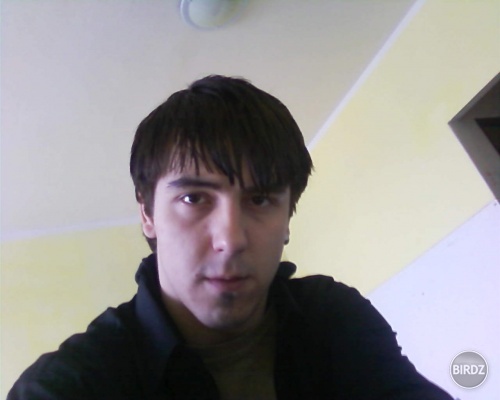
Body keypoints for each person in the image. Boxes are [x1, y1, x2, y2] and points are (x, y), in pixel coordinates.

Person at [8, 75, 453, 399]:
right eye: (194, 199)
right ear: (147, 214)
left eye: (260, 199)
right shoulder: (71, 385)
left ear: (288, 216)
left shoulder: (331, 318)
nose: (231, 239)